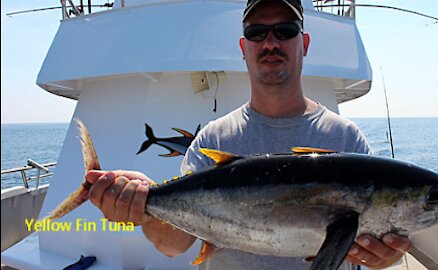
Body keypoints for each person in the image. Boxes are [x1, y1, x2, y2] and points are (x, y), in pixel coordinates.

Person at [86, 0, 412, 269]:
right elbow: (174, 245)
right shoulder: (213, 140)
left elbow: (373, 251)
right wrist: (142, 207)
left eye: (285, 31)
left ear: (305, 43)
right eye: (257, 33)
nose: (271, 43)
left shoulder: (346, 140)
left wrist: (386, 258)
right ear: (244, 47)